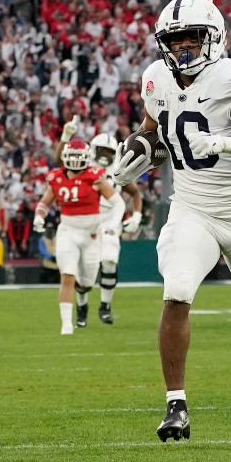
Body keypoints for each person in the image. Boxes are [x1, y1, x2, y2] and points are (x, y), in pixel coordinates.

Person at [109, 0, 231, 442]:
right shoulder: (156, 78)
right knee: (176, 291)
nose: (183, 49)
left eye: (192, 39)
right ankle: (175, 405)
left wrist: (226, 144)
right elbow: (155, 131)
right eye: (175, 41)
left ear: (213, 38)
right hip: (192, 207)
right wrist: (135, 154)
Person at [34, 138, 124, 335]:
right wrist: (38, 217)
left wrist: (111, 224)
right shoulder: (57, 177)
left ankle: (83, 304)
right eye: (71, 157)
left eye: (78, 157)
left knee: (86, 283)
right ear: (65, 158)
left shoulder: (95, 177)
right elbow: (44, 203)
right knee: (67, 275)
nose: (75, 161)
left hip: (91, 235)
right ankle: (66, 324)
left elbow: (118, 203)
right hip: (68, 232)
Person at [59, 128, 143, 325]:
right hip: (86, 219)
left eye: (109, 152)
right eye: (102, 151)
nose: (105, 156)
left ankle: (105, 306)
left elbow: (134, 192)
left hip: (110, 220)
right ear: (93, 150)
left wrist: (136, 215)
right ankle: (82, 307)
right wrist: (65, 138)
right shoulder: (82, 166)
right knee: (82, 268)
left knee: (109, 260)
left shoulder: (118, 169)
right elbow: (59, 164)